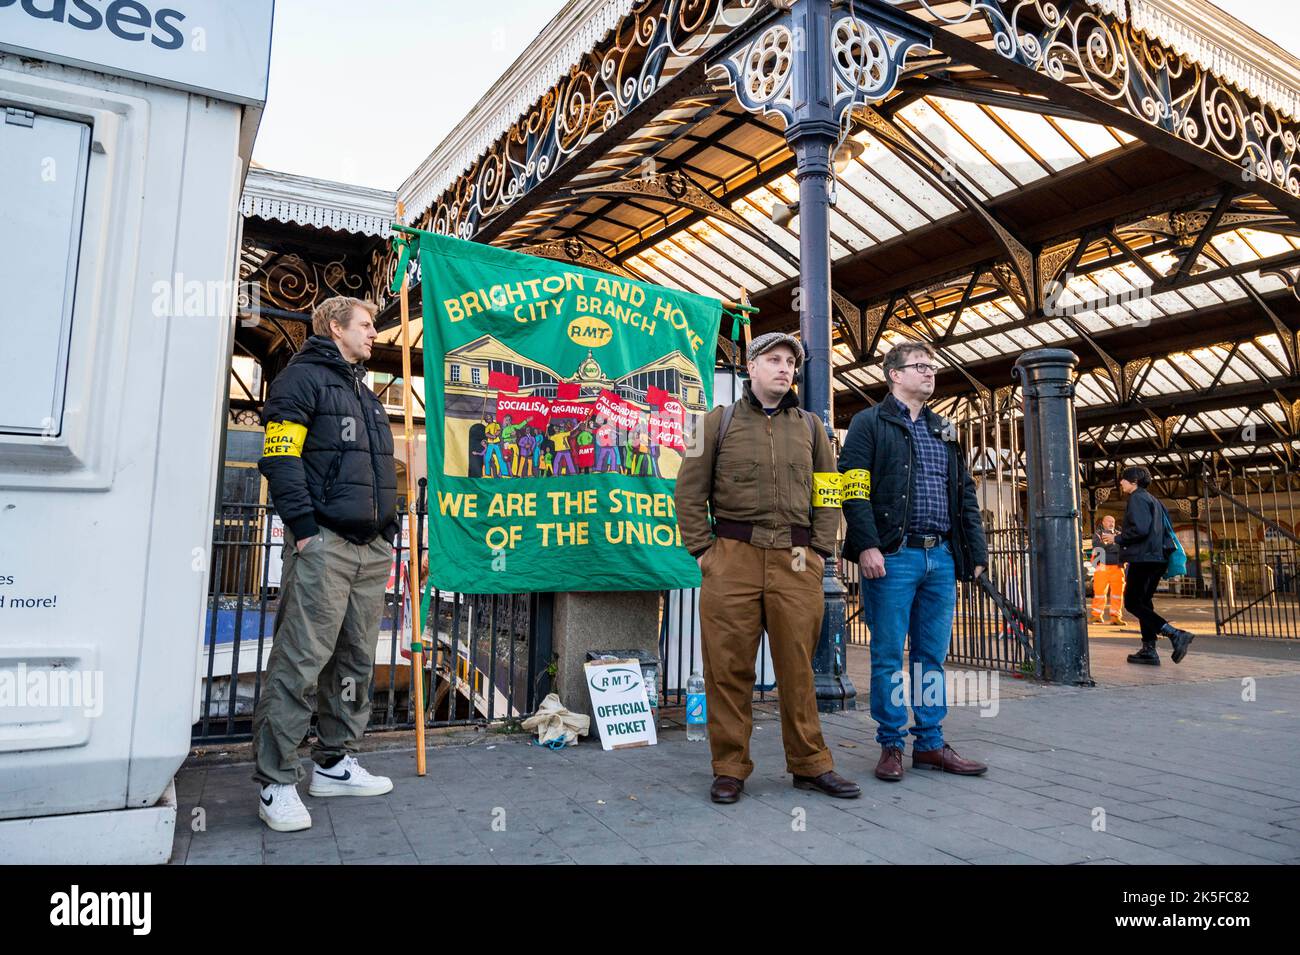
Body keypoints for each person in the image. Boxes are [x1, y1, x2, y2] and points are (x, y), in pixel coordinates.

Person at [675, 331, 860, 804]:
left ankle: (811, 764)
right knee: (728, 667)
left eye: (790, 363)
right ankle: (730, 768)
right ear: (751, 368)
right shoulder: (714, 423)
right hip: (732, 557)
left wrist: (819, 552)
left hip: (797, 561)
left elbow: (828, 492)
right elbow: (689, 492)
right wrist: (704, 552)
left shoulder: (813, 429)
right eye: (773, 360)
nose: (784, 368)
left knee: (798, 667)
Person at [253, 295, 399, 832]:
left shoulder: (362, 388)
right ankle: (275, 781)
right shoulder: (300, 380)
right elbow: (279, 456)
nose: (373, 334)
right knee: (300, 663)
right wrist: (307, 531)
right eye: (365, 325)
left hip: (370, 547)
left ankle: (335, 763)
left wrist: (389, 527)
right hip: (326, 544)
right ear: (336, 327)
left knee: (355, 661)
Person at [838, 341, 989, 783]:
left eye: (932, 366)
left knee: (931, 657)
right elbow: (852, 487)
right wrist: (866, 546)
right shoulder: (869, 423)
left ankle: (929, 743)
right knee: (887, 655)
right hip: (893, 556)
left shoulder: (945, 430)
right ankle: (890, 744)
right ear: (894, 375)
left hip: (939, 556)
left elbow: (965, 495)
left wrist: (975, 554)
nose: (929, 373)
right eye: (919, 366)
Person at [1117, 466, 1195, 665]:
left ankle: (1174, 634)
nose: (1121, 483)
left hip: (1144, 557)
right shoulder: (1154, 500)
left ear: (1133, 481)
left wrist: (1117, 537)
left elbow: (1140, 529)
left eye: (1123, 480)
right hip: (1157, 558)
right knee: (1144, 602)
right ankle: (1148, 649)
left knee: (1132, 603)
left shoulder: (1136, 498)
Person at [1089, 514, 1125, 625]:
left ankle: (1116, 617)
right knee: (1099, 592)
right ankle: (1096, 615)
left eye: (1113, 522)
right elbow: (1097, 546)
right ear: (1103, 523)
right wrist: (1114, 545)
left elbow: (1123, 547)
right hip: (1101, 566)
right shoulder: (1097, 534)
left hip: (1118, 567)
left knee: (1117, 593)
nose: (1111, 523)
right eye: (1109, 521)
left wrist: (1108, 544)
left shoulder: (1120, 535)